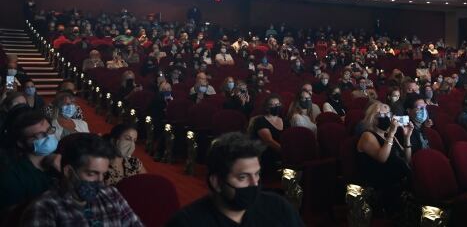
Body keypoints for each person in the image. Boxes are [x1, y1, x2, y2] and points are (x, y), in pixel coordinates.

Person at [167, 132, 303, 226]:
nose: (254, 183)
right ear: (216, 182)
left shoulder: (279, 207)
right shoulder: (187, 222)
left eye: (257, 174)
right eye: (243, 177)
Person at [21, 132, 143, 225]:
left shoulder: (111, 195)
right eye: (92, 174)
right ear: (68, 172)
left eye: (103, 174)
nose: (100, 182)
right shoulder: (45, 209)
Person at [356, 101, 412, 216]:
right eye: (382, 115)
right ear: (373, 118)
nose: (386, 118)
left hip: (400, 180)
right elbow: (382, 158)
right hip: (382, 186)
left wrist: (407, 138)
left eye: (388, 114)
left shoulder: (389, 135)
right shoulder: (367, 135)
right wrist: (391, 134)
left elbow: (407, 159)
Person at [0, 108, 60, 211]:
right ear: (21, 143)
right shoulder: (13, 176)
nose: (49, 137)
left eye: (49, 130)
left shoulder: (62, 158)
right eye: (39, 135)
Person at [247, 95, 286, 174]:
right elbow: (269, 141)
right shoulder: (260, 121)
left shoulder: (285, 120)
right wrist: (287, 153)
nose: (276, 106)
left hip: (283, 154)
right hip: (268, 155)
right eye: (273, 105)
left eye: (278, 104)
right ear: (267, 108)